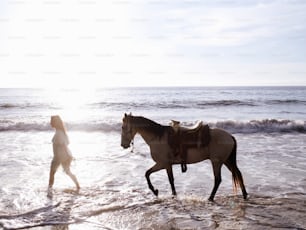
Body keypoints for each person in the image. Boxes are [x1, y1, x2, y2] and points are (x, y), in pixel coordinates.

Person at [48, 115, 80, 192]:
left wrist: (69, 156)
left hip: (58, 157)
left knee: (52, 174)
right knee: (67, 172)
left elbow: (64, 146)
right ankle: (78, 185)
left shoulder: (59, 133)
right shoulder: (61, 132)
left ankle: (49, 190)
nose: (50, 123)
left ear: (56, 123)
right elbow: (65, 145)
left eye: (52, 121)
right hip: (61, 156)